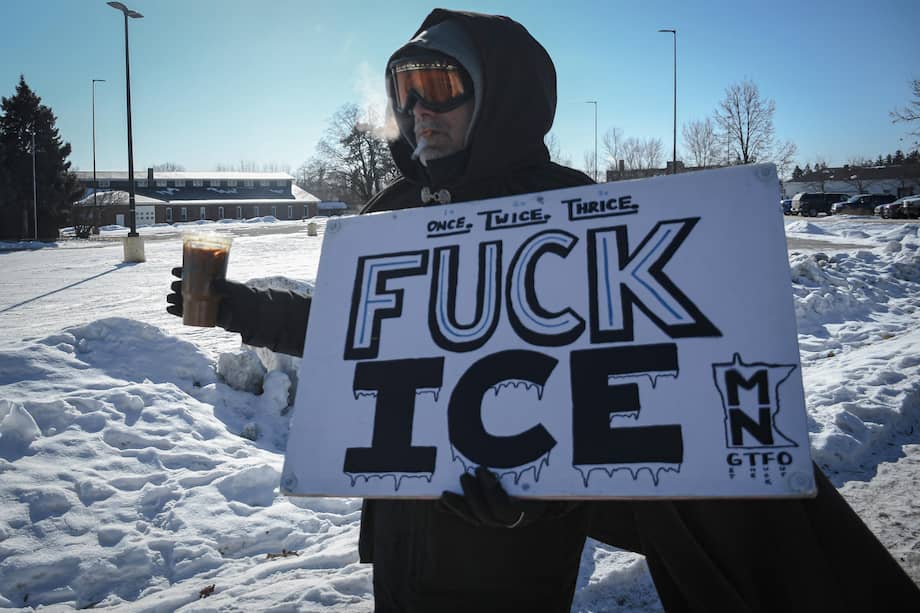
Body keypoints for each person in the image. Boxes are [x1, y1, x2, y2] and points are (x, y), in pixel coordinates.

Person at [168, 9, 920, 612]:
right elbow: (349, 327)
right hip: (401, 532)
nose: (419, 109)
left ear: (499, 95)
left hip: (505, 550)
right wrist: (240, 306)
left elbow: (639, 388)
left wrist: (547, 498)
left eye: (441, 86)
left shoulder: (573, 208)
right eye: (405, 91)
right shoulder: (390, 212)